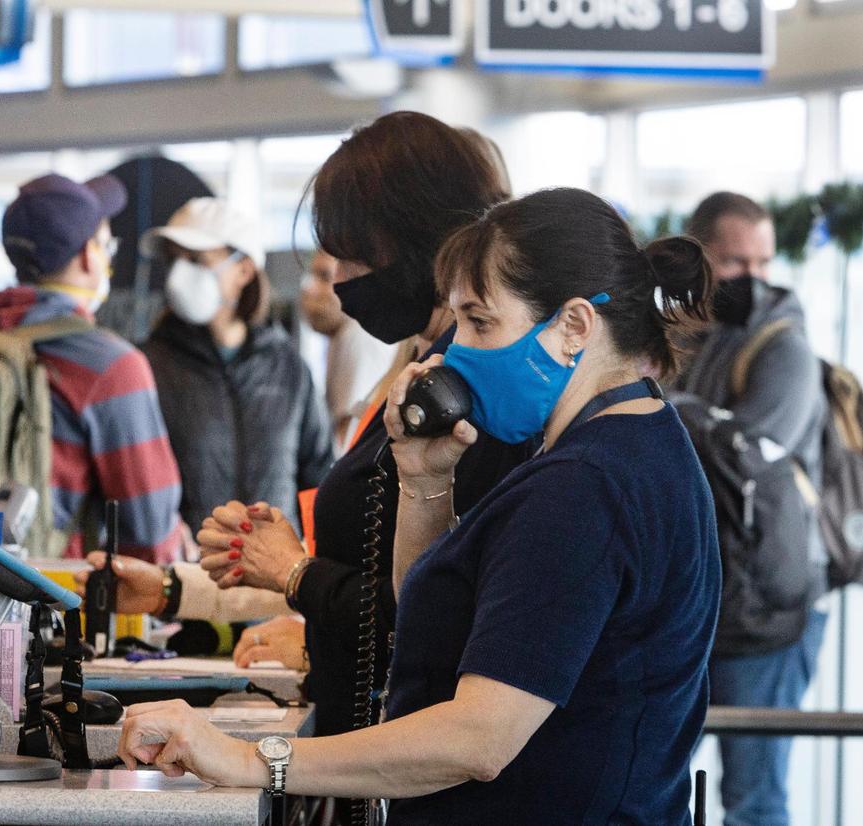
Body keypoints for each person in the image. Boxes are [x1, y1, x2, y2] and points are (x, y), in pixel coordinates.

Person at [115, 188, 722, 825]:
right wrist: (424, 480)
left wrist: (249, 758)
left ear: (574, 326)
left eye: (482, 322)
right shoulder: (639, 441)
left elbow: (478, 738)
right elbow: (435, 619)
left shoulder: (583, 489)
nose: (455, 351)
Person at [192, 112, 530, 748]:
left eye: (351, 254)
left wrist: (295, 573)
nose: (340, 280)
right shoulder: (422, 371)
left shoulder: (470, 392)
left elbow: (433, 607)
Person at [677, 192, 829, 826]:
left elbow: (745, 457)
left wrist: (676, 415)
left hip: (768, 609)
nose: (755, 279)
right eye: (736, 262)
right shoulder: (696, 338)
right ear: (697, 260)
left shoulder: (782, 348)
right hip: (708, 601)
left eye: (763, 262)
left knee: (754, 797)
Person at [0, 172, 182, 562]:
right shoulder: (112, 367)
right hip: (53, 602)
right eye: (107, 243)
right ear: (91, 255)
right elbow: (150, 532)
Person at [139, 196, 334, 537]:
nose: (180, 273)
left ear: (244, 270)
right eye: (175, 260)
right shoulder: (149, 366)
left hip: (274, 579)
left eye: (197, 260)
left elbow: (319, 476)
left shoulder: (287, 367)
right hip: (184, 576)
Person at [300, 249, 398, 454]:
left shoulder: (359, 335)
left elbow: (346, 438)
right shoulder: (342, 335)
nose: (310, 289)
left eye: (324, 276)